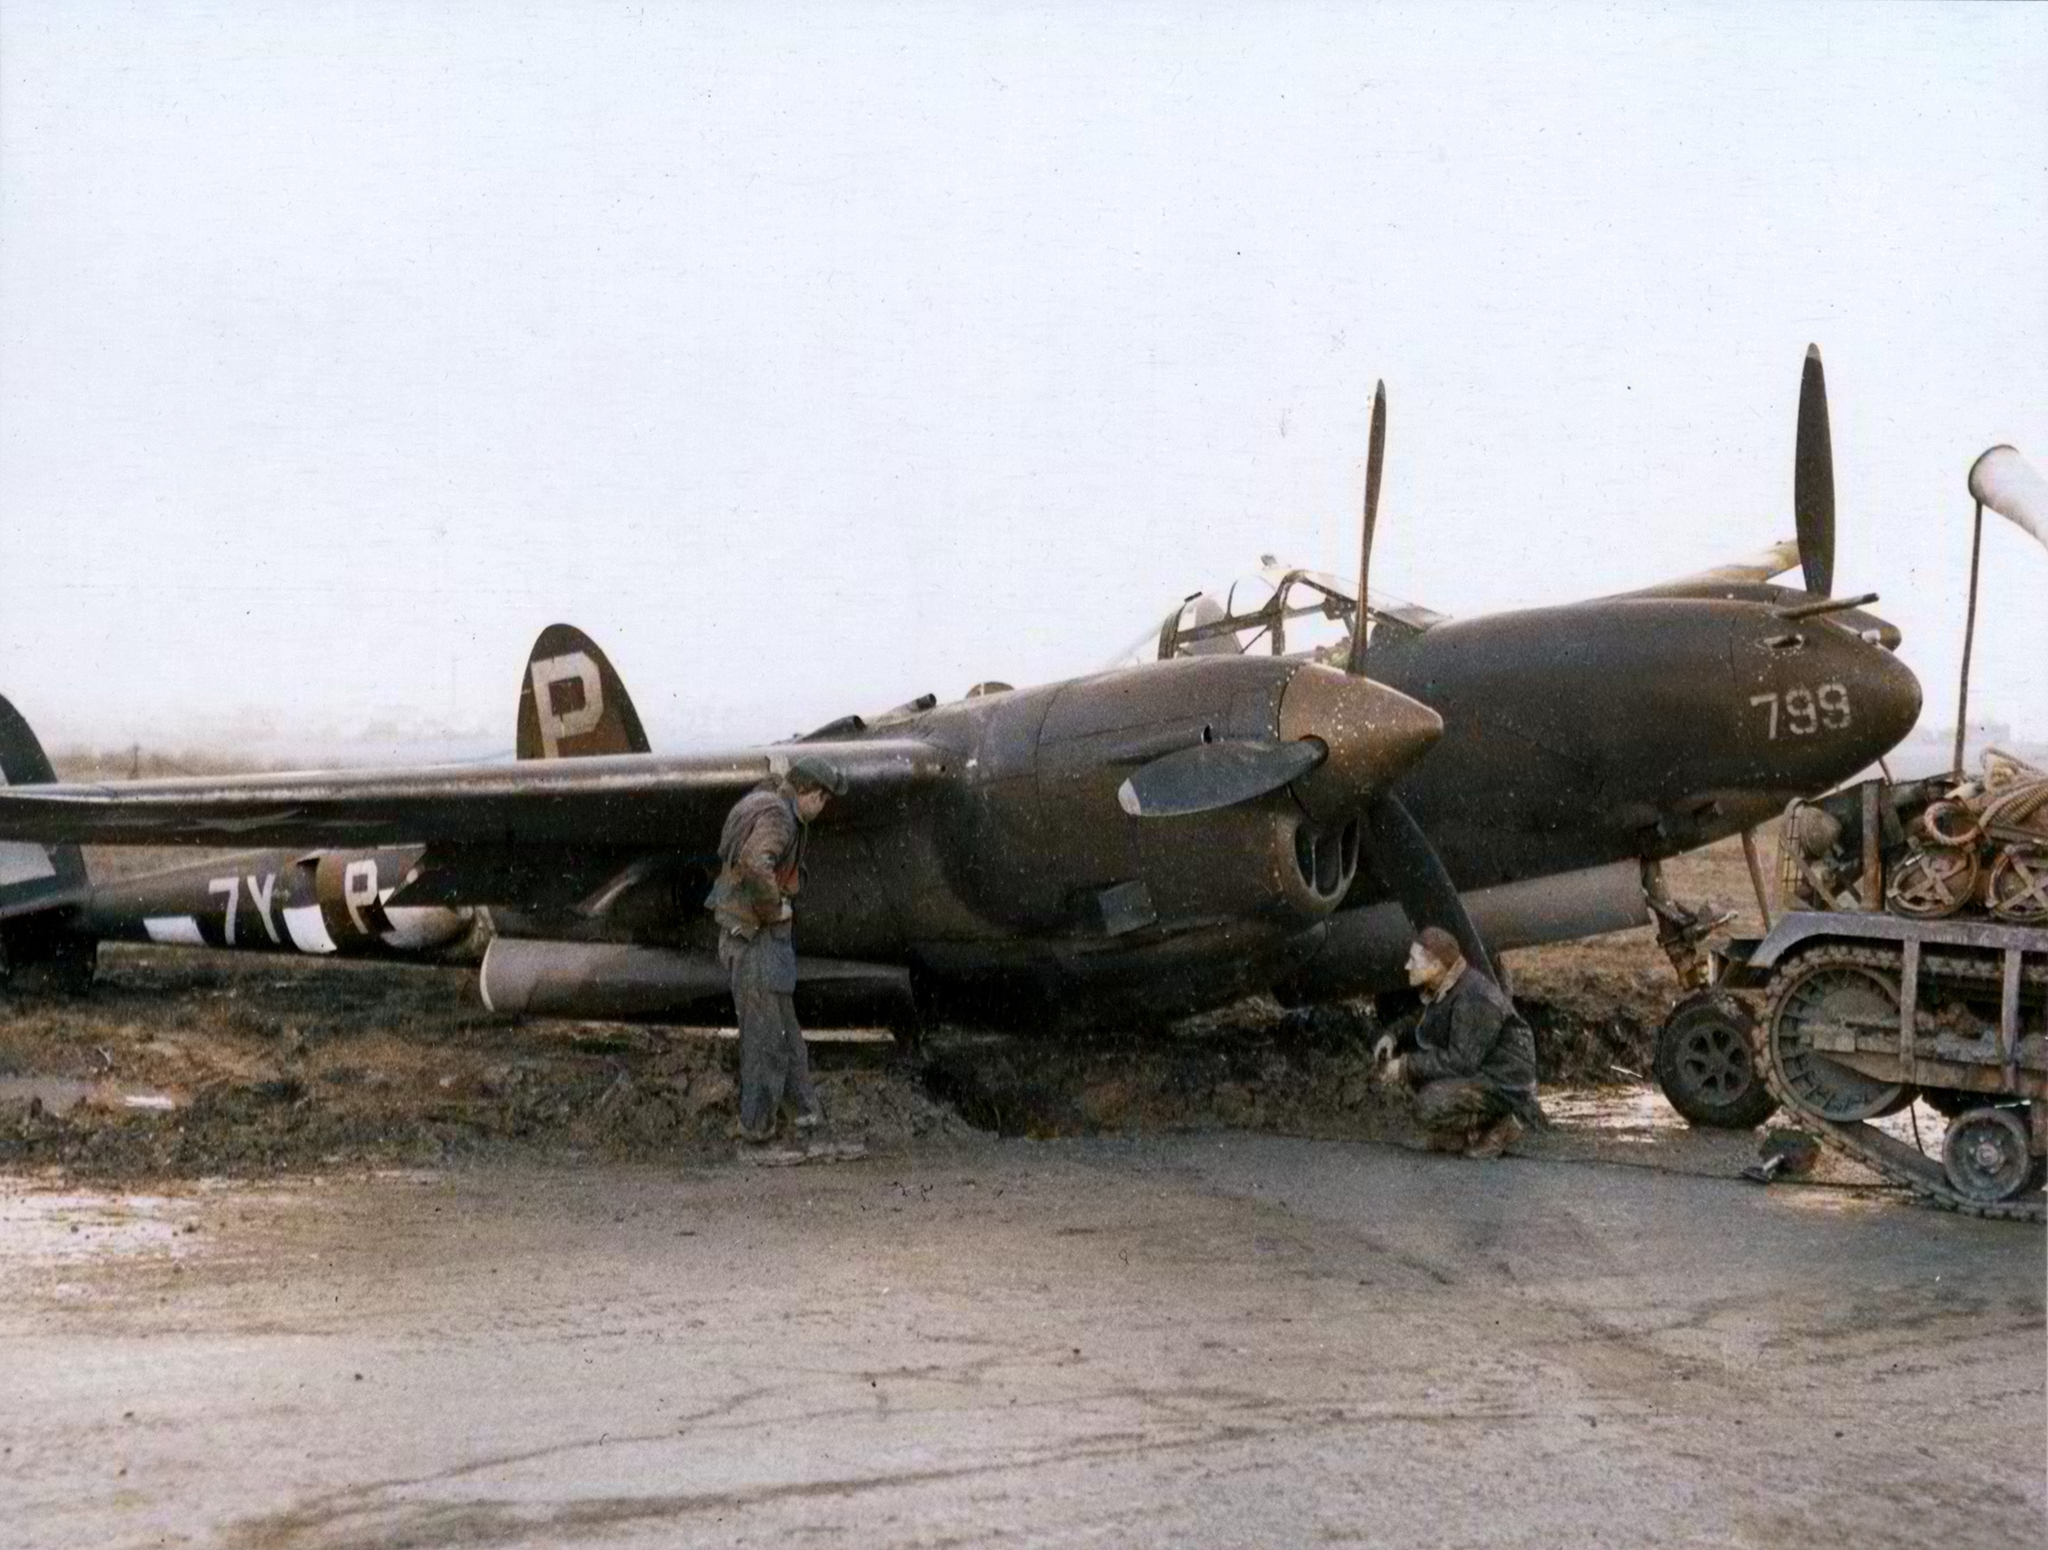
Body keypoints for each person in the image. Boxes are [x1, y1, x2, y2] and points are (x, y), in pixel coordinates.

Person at [707, 756, 848, 1158]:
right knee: (766, 1043)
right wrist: (774, 909)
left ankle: (806, 1125)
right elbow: (756, 861)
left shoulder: (771, 803)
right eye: (822, 798)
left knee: (786, 1039)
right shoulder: (780, 818)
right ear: (807, 792)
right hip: (756, 941)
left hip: (759, 942)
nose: (822, 807)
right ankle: (756, 1136)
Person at [1374, 925, 1542, 1158]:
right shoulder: (1450, 985)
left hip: (1505, 1081)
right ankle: (1460, 1134)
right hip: (1486, 1068)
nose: (1407, 966)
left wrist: (1404, 1066)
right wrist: (1392, 1035)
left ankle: (1503, 1125)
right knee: (1423, 1074)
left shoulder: (1474, 998)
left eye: (1414, 960)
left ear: (1435, 966)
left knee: (1428, 1104)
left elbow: (1461, 1062)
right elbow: (1425, 1019)